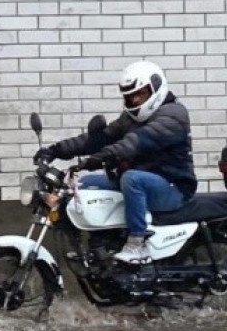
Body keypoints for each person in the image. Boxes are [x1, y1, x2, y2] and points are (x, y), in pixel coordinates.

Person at [34, 60, 197, 263]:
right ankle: (98, 244)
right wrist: (55, 150)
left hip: (173, 187)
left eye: (140, 94)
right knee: (85, 184)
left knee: (132, 179)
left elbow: (136, 142)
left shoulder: (173, 115)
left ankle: (137, 243)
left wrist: (104, 157)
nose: (135, 100)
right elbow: (99, 138)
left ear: (156, 87)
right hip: (145, 181)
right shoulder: (130, 118)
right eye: (130, 96)